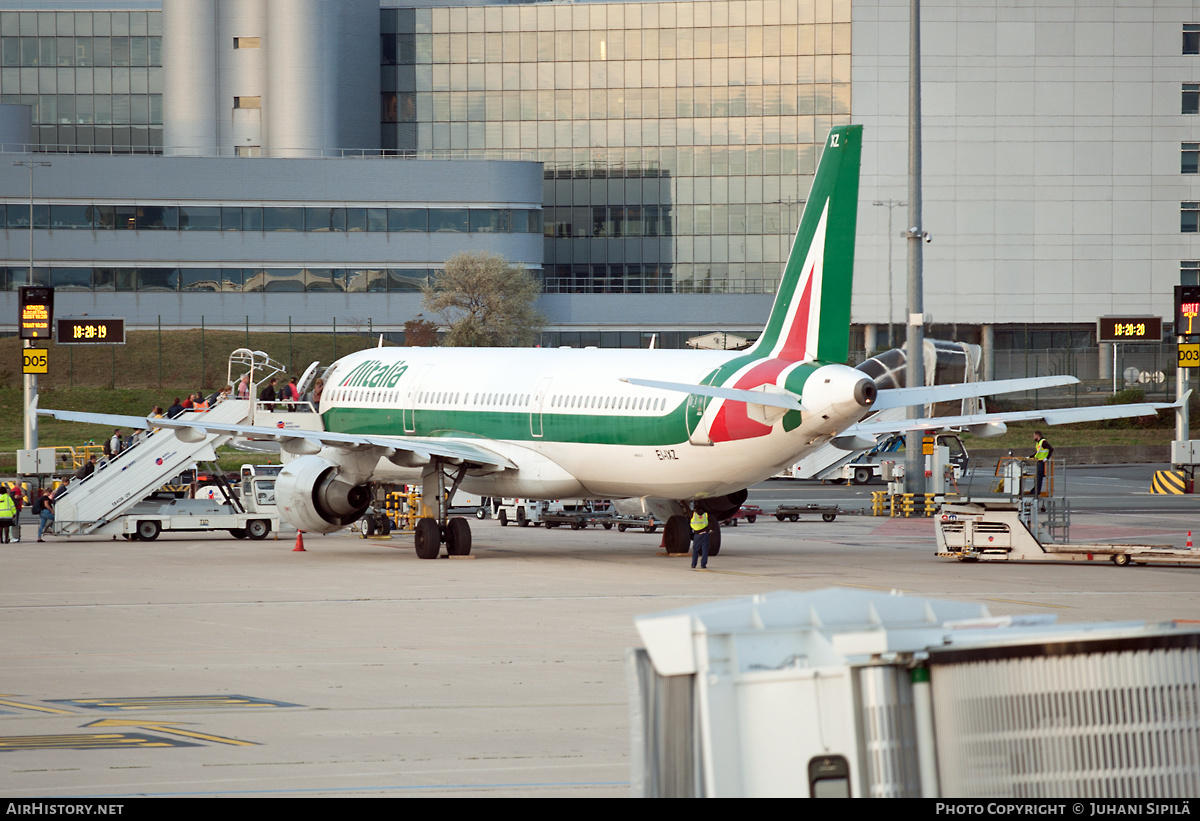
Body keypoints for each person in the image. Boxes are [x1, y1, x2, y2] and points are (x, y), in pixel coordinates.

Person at [1032, 431, 1053, 496]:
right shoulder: (1038, 443)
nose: (1033, 437)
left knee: (1039, 477)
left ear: (1037, 435)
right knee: (1037, 478)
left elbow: (1051, 449)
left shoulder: (1043, 442)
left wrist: (1047, 458)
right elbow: (1037, 453)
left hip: (1042, 462)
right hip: (1039, 461)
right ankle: (1035, 490)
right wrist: (1030, 456)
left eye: (1034, 436)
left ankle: (1036, 491)